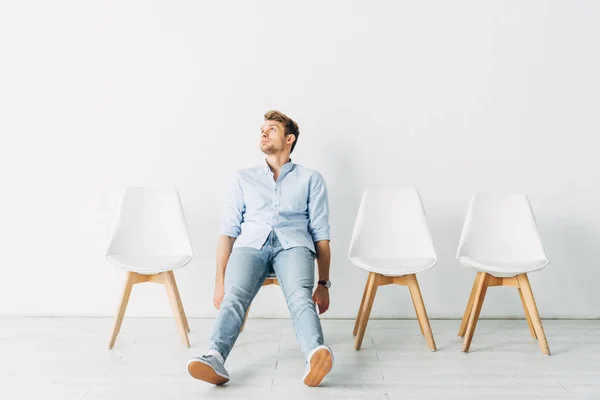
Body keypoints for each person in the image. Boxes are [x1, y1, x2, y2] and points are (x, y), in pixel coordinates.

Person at [187, 110, 333, 387]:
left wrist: (323, 282)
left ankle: (315, 354)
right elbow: (228, 232)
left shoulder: (310, 179)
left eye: (272, 129)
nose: (264, 133)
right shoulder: (242, 178)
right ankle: (214, 357)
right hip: (250, 245)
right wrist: (220, 282)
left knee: (300, 298)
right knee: (234, 298)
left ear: (289, 139)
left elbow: (321, 235)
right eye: (262, 130)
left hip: (294, 246)